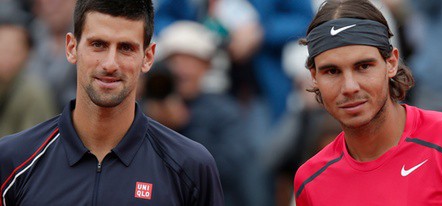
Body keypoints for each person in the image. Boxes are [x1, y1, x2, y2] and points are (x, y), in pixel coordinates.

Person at [0, 0, 224, 205]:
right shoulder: (13, 159)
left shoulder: (191, 167)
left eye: (126, 48)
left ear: (148, 57)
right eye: (98, 44)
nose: (110, 64)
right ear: (71, 48)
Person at [294, 0, 442, 205]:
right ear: (314, 76)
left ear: (391, 63)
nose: (350, 86)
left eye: (363, 66)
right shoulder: (310, 182)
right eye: (332, 71)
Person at [155, 20, 254, 206]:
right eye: (174, 61)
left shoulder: (225, 112)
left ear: (206, 66)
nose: (180, 70)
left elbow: (228, 169)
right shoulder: (148, 107)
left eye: (189, 61)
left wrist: (185, 125)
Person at [0, 2, 57, 137]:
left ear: (27, 53)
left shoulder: (34, 92)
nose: (7, 55)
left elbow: (35, 142)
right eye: (3, 48)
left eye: (13, 49)